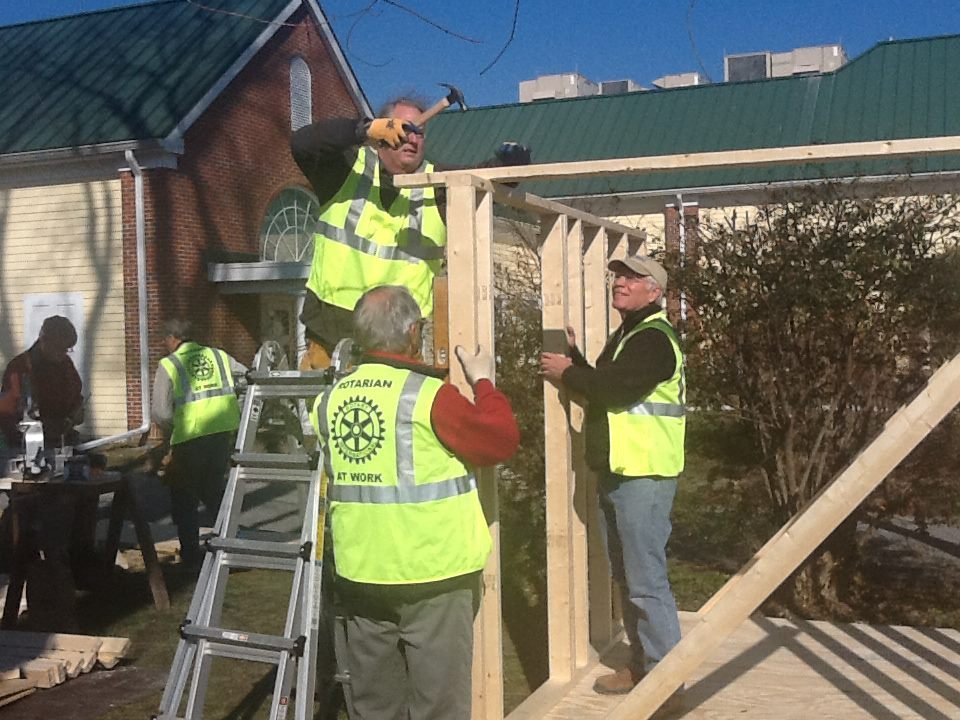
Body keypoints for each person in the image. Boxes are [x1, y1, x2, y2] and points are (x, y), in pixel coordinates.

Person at [310, 285, 519, 719]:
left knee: (374, 706)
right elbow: (499, 441)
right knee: (439, 706)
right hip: (433, 578)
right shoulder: (429, 397)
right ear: (412, 331)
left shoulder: (330, 400)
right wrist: (483, 380)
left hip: (361, 577)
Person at [540, 254, 686, 707]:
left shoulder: (654, 340)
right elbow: (603, 382)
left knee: (645, 580)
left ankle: (666, 682)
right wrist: (575, 360)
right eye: (618, 276)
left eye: (631, 277)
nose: (619, 282)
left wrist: (569, 371)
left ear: (653, 291)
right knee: (628, 576)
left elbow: (617, 390)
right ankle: (643, 664)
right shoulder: (629, 336)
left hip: (645, 473)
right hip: (622, 471)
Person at [291, 94, 531, 368]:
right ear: (383, 130)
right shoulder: (345, 171)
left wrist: (509, 168)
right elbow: (302, 143)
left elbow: (477, 179)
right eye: (405, 128)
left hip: (401, 347)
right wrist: (363, 130)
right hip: (332, 338)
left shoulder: (437, 183)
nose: (414, 139)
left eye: (421, 133)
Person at [151, 319, 246, 568]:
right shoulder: (219, 356)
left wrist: (175, 428)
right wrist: (236, 409)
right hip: (221, 435)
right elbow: (247, 378)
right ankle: (232, 548)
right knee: (216, 493)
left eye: (165, 340)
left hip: (189, 438)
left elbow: (160, 411)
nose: (164, 345)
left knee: (185, 498)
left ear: (173, 338)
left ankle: (191, 555)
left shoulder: (170, 364)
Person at [0, 315, 84, 450]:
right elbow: (5, 414)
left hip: (64, 441)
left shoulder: (66, 364)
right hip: (28, 447)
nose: (63, 354)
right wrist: (43, 427)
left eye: (67, 349)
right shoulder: (20, 368)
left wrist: (77, 410)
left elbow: (75, 392)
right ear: (44, 340)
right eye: (60, 348)